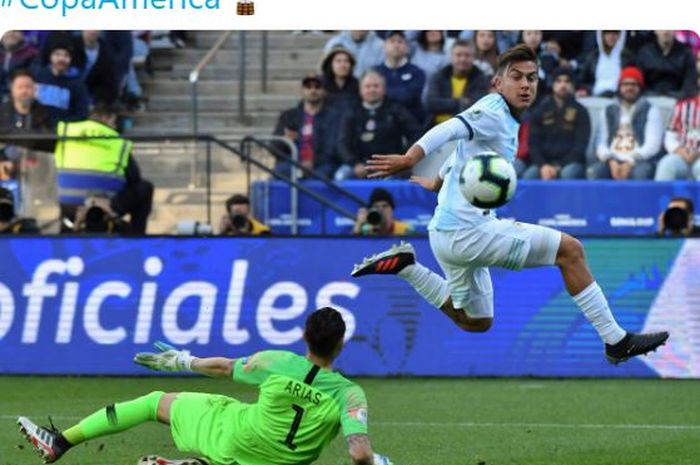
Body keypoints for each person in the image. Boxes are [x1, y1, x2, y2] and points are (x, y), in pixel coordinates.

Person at [350, 44, 669, 365]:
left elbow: (461, 157)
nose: (526, 84)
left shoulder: (501, 121)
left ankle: (408, 268)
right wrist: (410, 158)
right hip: (469, 233)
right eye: (516, 77)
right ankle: (615, 340)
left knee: (475, 321)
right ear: (498, 84)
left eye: (532, 78)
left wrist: (436, 182)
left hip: (446, 236)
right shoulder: (492, 109)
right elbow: (448, 129)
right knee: (570, 251)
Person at [17, 307, 394, 465]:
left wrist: (184, 361)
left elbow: (225, 368)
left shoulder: (277, 362)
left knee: (154, 403)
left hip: (236, 435)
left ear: (304, 336)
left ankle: (60, 442)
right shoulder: (349, 394)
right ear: (341, 344)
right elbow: (359, 452)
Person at [54, 103, 154, 234]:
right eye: (114, 122)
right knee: (145, 188)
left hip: (66, 205)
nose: (115, 126)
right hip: (105, 205)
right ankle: (137, 238)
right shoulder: (116, 141)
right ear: (108, 119)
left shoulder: (66, 131)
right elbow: (134, 177)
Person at [335, 71, 421, 180]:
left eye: (376, 86)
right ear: (360, 90)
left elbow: (416, 134)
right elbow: (342, 142)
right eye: (367, 86)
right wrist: (354, 164)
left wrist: (401, 158)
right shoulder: (351, 112)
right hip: (360, 164)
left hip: (391, 164)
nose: (372, 90)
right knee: (341, 176)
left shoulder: (396, 109)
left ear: (384, 89)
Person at [589, 66, 664, 180]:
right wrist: (610, 160)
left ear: (640, 87)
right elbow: (600, 142)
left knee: (642, 173)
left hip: (639, 159)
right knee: (594, 171)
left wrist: (630, 161)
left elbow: (653, 145)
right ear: (619, 87)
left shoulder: (650, 109)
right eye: (625, 84)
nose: (629, 88)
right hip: (612, 158)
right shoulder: (608, 110)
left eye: (634, 84)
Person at [524, 67, 590, 180]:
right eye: (558, 81)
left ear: (572, 85)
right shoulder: (540, 110)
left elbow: (581, 145)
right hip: (544, 163)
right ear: (552, 84)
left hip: (571, 163)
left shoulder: (581, 111)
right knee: (530, 175)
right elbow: (533, 144)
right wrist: (543, 165)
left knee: (568, 174)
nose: (563, 85)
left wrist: (558, 167)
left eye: (567, 81)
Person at [272, 74, 340, 179]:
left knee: (324, 174)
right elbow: (274, 146)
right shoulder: (288, 116)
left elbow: (333, 148)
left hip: (321, 165)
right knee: (280, 170)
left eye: (317, 87)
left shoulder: (333, 117)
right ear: (302, 91)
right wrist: (285, 141)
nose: (313, 90)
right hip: (292, 164)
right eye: (308, 87)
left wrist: (313, 162)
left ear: (324, 92)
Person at [425, 40, 490, 127]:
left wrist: (444, 104)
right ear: (451, 57)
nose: (463, 59)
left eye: (467, 55)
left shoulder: (481, 78)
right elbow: (430, 103)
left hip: (466, 129)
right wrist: (460, 102)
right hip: (436, 127)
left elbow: (476, 108)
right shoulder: (439, 76)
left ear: (473, 58)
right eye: (458, 55)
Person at [654, 75, 700, 181]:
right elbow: (670, 136)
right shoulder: (683, 106)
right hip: (682, 154)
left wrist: (697, 153)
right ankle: (661, 197)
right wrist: (680, 150)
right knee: (666, 165)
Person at [374, 31, 426, 124]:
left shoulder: (417, 72)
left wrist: (383, 93)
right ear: (385, 46)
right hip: (380, 123)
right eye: (392, 41)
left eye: (400, 41)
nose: (396, 45)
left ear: (407, 47)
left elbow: (409, 97)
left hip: (411, 124)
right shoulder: (375, 72)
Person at [636, 30, 698, 99]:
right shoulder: (644, 53)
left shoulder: (686, 53)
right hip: (649, 98)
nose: (665, 32)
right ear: (655, 31)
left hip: (678, 99)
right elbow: (638, 81)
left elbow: (690, 83)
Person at [576, 31, 633, 98]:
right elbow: (581, 80)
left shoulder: (627, 58)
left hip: (619, 98)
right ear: (601, 35)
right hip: (594, 97)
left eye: (615, 33)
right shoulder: (593, 57)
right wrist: (586, 90)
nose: (611, 36)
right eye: (607, 33)